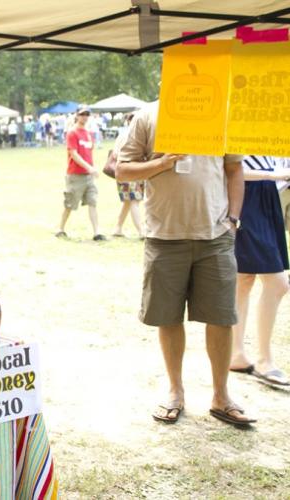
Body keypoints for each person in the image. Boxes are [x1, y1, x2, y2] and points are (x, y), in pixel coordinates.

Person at [117, 103, 256, 427]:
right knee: (168, 315)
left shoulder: (221, 112)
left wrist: (233, 219)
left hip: (215, 235)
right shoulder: (148, 116)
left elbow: (234, 169)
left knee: (222, 316)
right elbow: (123, 169)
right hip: (164, 234)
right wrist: (163, 162)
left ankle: (221, 396)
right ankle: (175, 392)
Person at [230, 155, 290, 388]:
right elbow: (230, 167)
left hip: (266, 194)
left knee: (243, 279)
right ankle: (263, 359)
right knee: (276, 283)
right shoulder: (238, 122)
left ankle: (237, 353)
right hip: (245, 193)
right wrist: (273, 175)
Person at [56, 107, 105, 241]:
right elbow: (74, 154)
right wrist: (89, 167)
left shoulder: (88, 133)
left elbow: (89, 152)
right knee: (70, 204)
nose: (85, 117)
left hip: (89, 176)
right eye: (82, 114)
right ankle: (60, 229)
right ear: (76, 115)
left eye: (87, 114)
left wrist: (91, 169)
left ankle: (97, 233)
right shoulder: (72, 133)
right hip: (75, 175)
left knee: (92, 202)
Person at [111, 113, 144, 238]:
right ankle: (142, 231)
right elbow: (115, 155)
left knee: (128, 201)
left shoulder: (126, 135)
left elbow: (114, 154)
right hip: (129, 171)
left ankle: (118, 228)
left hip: (132, 172)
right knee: (134, 199)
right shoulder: (126, 135)